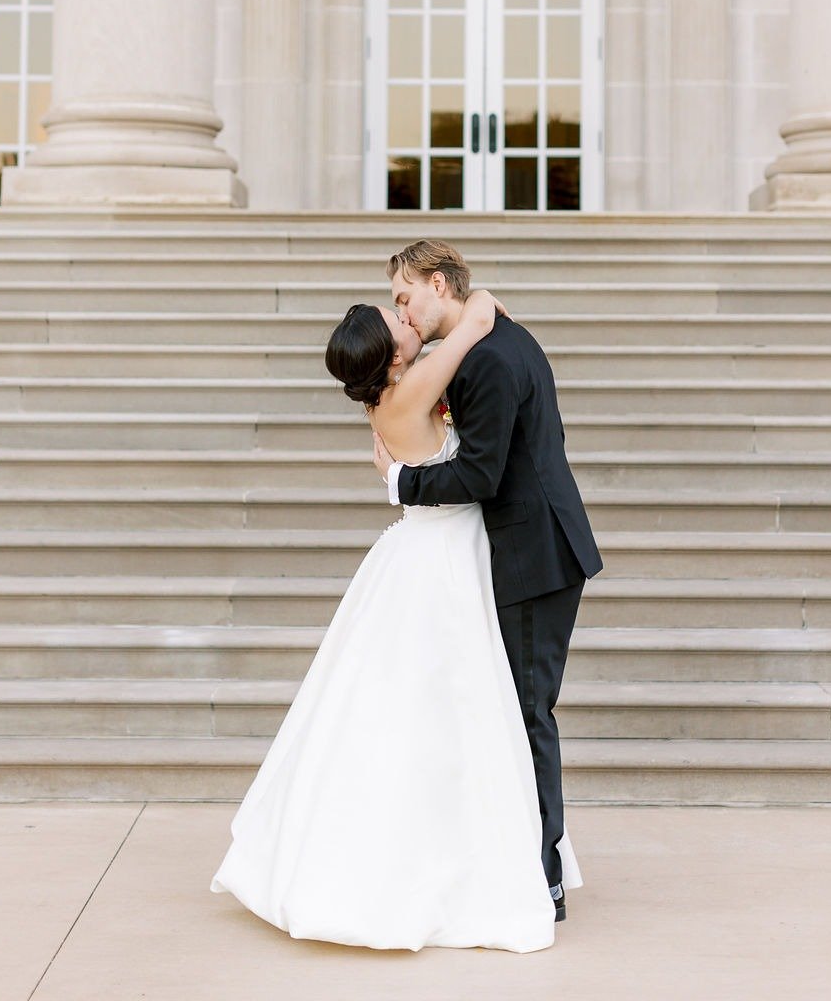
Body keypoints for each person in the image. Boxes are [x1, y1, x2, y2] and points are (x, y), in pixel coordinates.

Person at [209, 280, 570, 953]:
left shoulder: (390, 397)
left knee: (420, 709)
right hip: (444, 554)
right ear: (393, 358)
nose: (406, 317)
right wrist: (469, 300)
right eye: (395, 318)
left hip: (426, 547)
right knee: (459, 705)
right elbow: (478, 320)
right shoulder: (415, 382)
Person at [372, 239, 603, 920]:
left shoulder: (489, 360)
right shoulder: (494, 339)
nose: (403, 313)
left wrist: (401, 481)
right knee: (515, 711)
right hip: (536, 548)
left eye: (405, 297)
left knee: (528, 715)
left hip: (535, 559)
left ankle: (544, 876)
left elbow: (481, 475)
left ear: (439, 284)